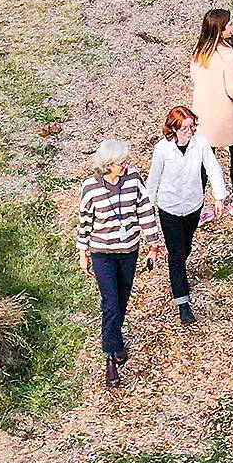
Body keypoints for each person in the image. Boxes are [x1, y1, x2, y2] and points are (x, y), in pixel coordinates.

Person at [77, 137, 160, 389]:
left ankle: (115, 339)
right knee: (110, 303)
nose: (125, 166)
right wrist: (83, 252)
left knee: (121, 301)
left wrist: (153, 245)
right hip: (103, 252)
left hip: (128, 250)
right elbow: (84, 221)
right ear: (107, 164)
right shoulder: (90, 188)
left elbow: (145, 211)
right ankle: (111, 357)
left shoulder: (133, 180)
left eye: (125, 162)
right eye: (120, 163)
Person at [145, 106, 227, 325]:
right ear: (173, 129)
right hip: (168, 207)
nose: (190, 131)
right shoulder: (162, 149)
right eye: (185, 128)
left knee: (186, 247)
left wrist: (219, 197)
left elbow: (213, 168)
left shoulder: (200, 143)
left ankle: (178, 267)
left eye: (192, 126)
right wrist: (147, 210)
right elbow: (153, 179)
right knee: (176, 253)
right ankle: (183, 303)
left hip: (192, 205)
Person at [190, 8, 233, 213]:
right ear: (220, 30)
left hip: (203, 113)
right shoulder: (229, 56)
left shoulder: (199, 51)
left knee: (204, 162)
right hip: (226, 115)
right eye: (229, 24)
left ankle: (200, 208)